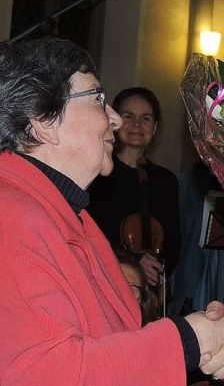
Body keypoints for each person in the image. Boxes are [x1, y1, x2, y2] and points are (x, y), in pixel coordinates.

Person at [0, 38, 224, 386]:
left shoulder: (55, 209)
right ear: (43, 122)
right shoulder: (7, 219)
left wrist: (203, 336)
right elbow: (48, 375)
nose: (113, 119)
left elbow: (105, 338)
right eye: (97, 98)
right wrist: (190, 340)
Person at [88, 87, 181, 292]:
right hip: (106, 283)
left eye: (145, 118)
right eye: (128, 116)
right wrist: (133, 263)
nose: (137, 124)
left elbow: (173, 243)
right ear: (114, 122)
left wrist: (159, 271)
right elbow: (91, 236)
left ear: (155, 127)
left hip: (152, 290)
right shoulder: (96, 174)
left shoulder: (166, 181)